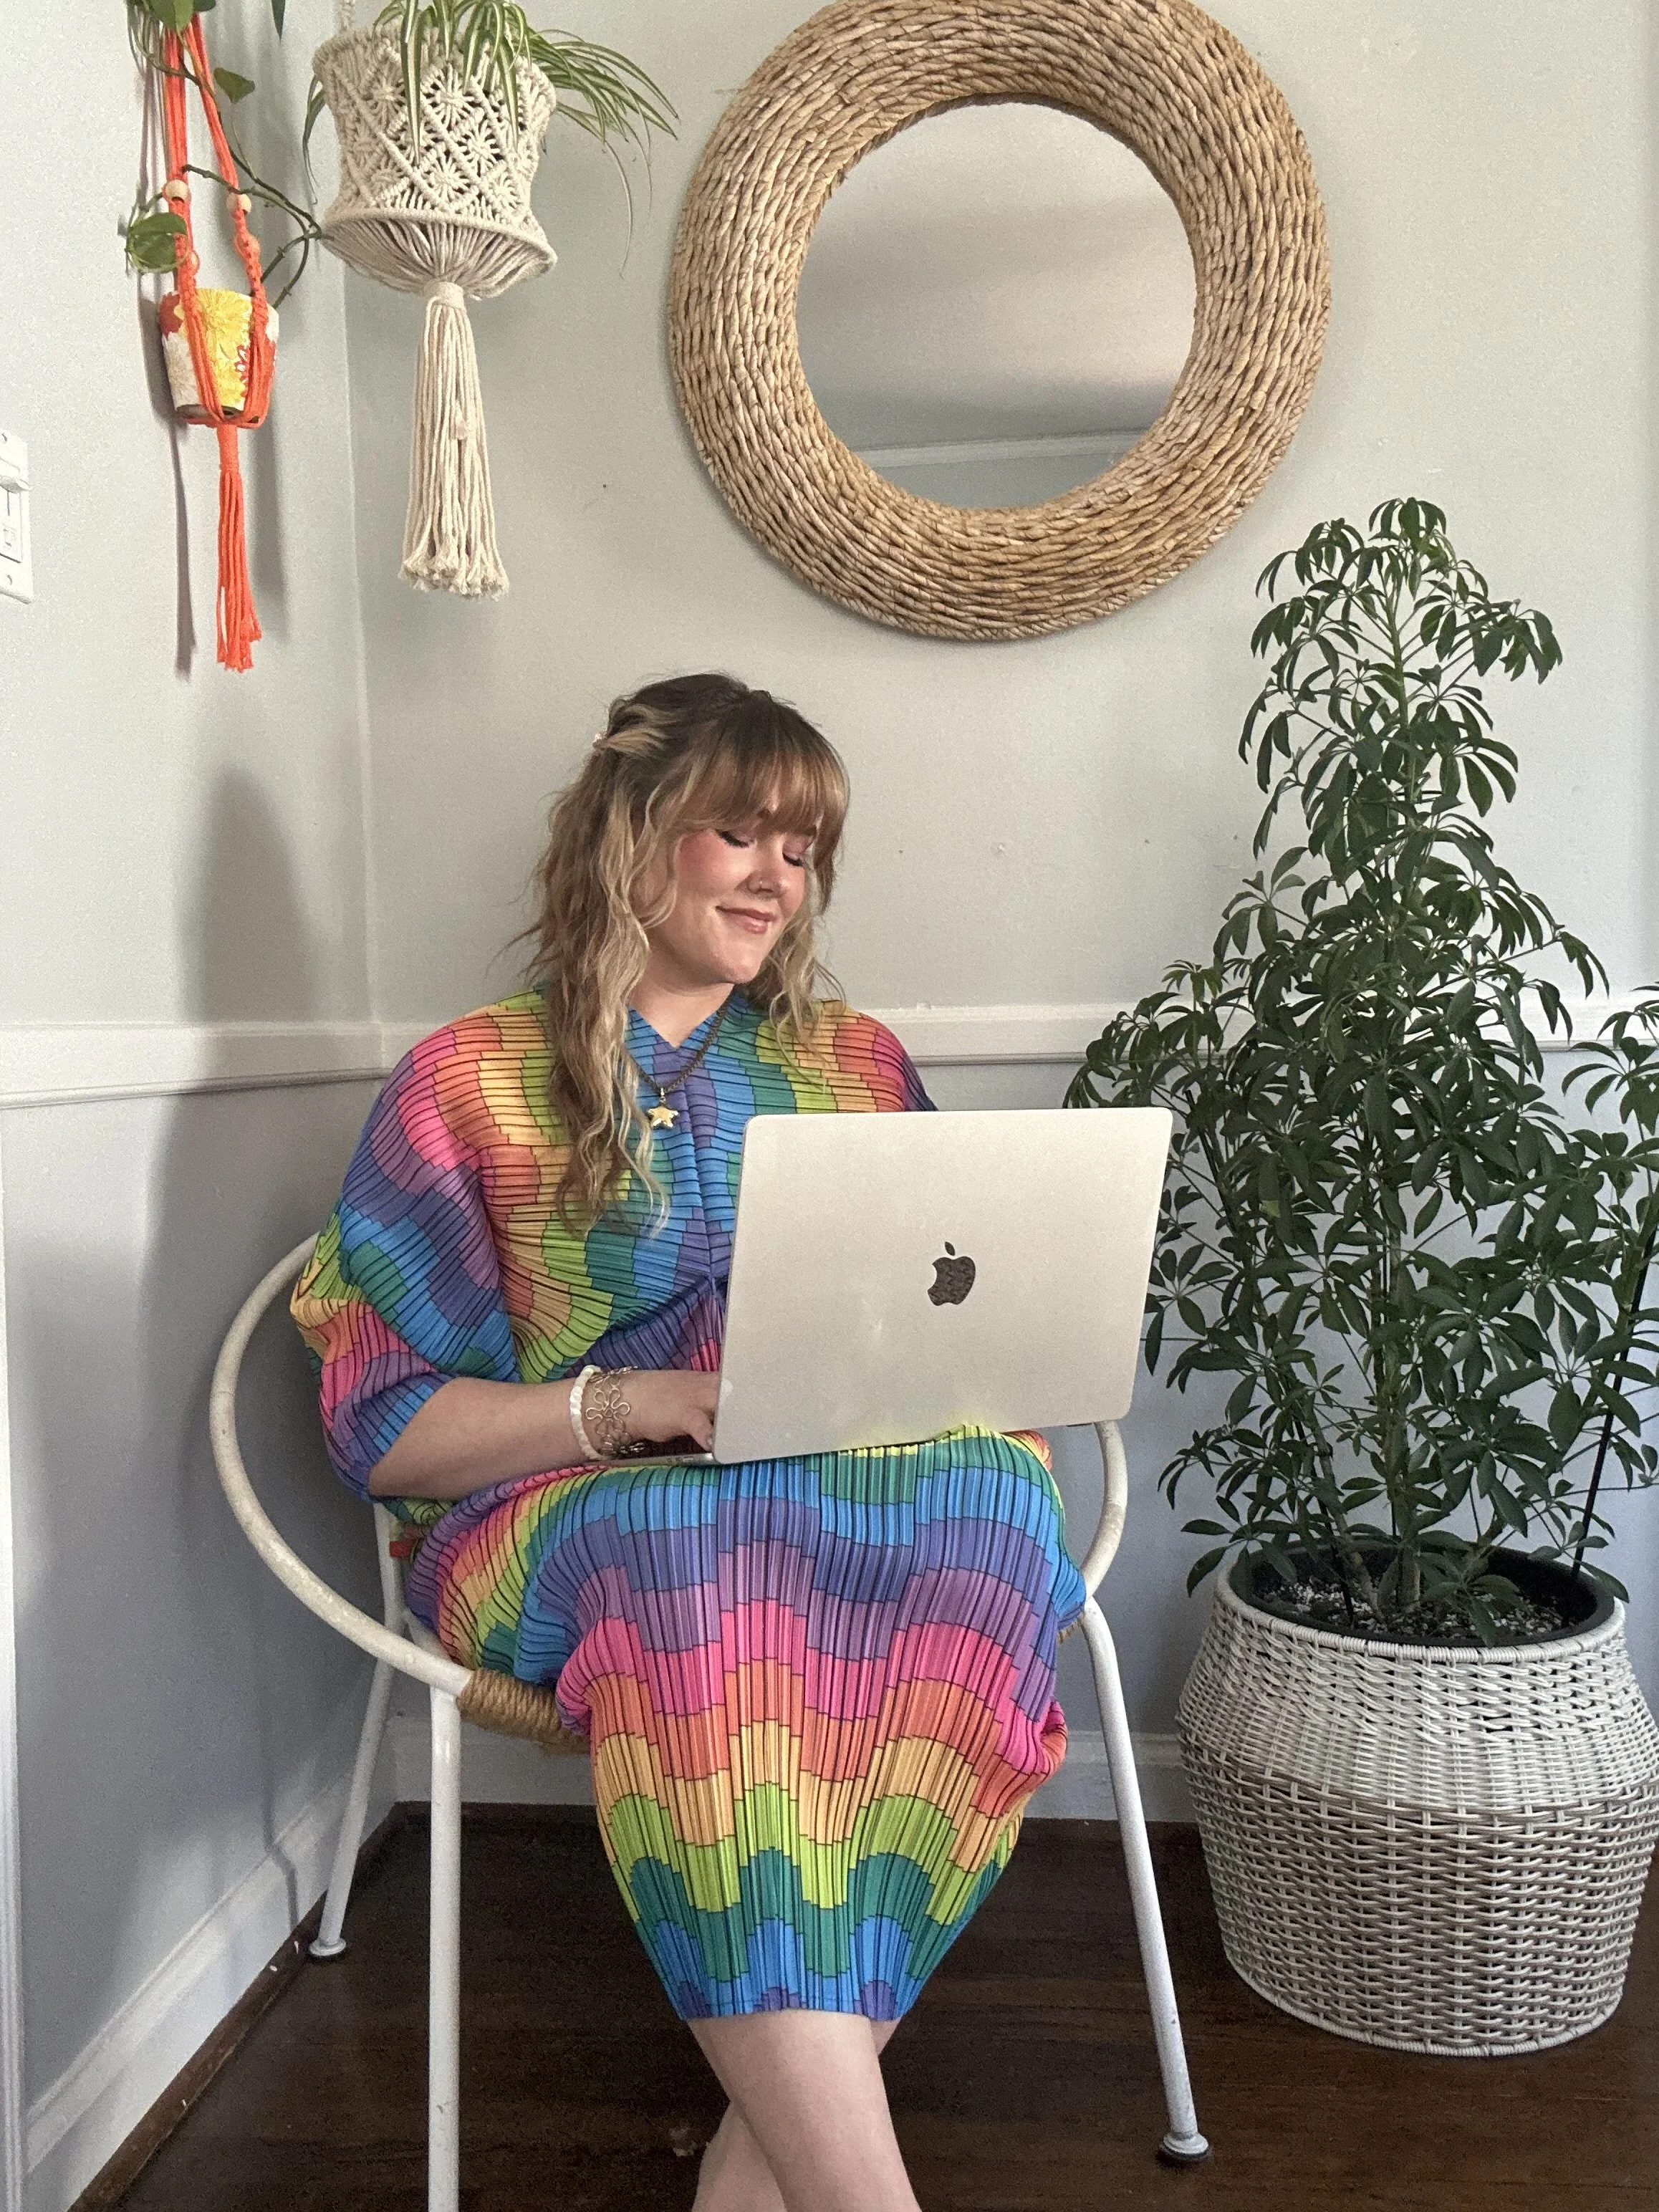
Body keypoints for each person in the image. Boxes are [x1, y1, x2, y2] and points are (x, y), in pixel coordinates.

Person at [292, 673, 1085, 2212]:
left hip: (838, 1479)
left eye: (805, 848)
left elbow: (958, 1315)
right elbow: (387, 1429)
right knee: (690, 1549)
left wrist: (996, 1393)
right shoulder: (466, 1083)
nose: (779, 876)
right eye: (742, 829)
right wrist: (629, 1406)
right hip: (567, 1511)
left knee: (999, 1506)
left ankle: (763, 2152)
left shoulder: (852, 1065)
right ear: (629, 835)